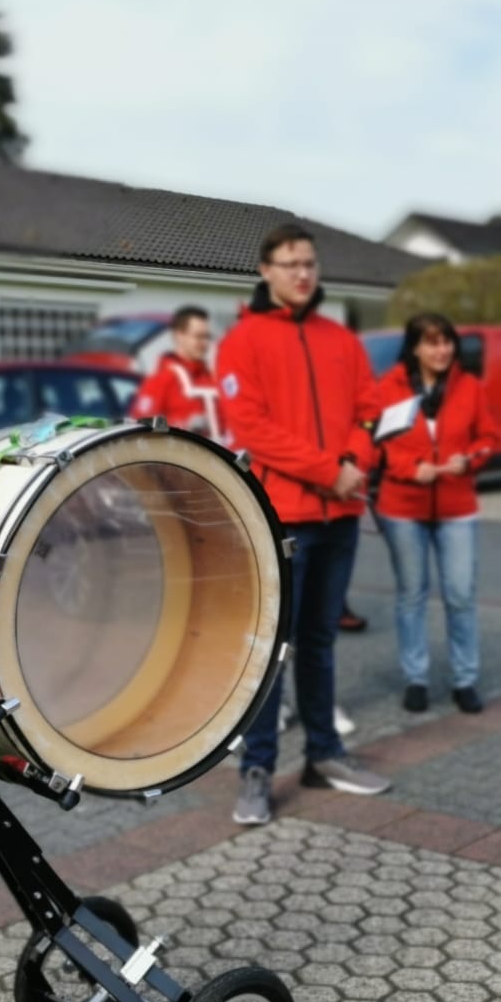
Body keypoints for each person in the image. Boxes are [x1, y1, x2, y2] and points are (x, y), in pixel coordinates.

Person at [217, 223, 392, 824]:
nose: (302, 273)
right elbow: (252, 428)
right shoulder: (242, 341)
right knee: (274, 648)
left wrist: (354, 463)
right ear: (265, 270)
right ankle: (257, 769)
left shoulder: (341, 340)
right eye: (290, 263)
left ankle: (324, 754)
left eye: (310, 263)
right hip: (284, 517)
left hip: (340, 515)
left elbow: (369, 413)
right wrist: (328, 470)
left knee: (319, 642)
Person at [373, 311, 498, 715]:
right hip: (402, 508)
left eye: (447, 342)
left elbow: (488, 438)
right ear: (414, 348)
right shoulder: (387, 388)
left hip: (456, 506)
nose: (442, 350)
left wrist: (470, 459)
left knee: (460, 595)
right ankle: (416, 678)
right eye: (432, 343)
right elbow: (378, 444)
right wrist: (411, 469)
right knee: (412, 595)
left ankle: (465, 679)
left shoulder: (470, 386)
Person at [129, 305, 226, 442]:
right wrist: (183, 425)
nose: (205, 343)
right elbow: (140, 427)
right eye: (199, 337)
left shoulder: (212, 379)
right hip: (176, 453)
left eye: (207, 337)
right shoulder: (160, 380)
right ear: (179, 336)